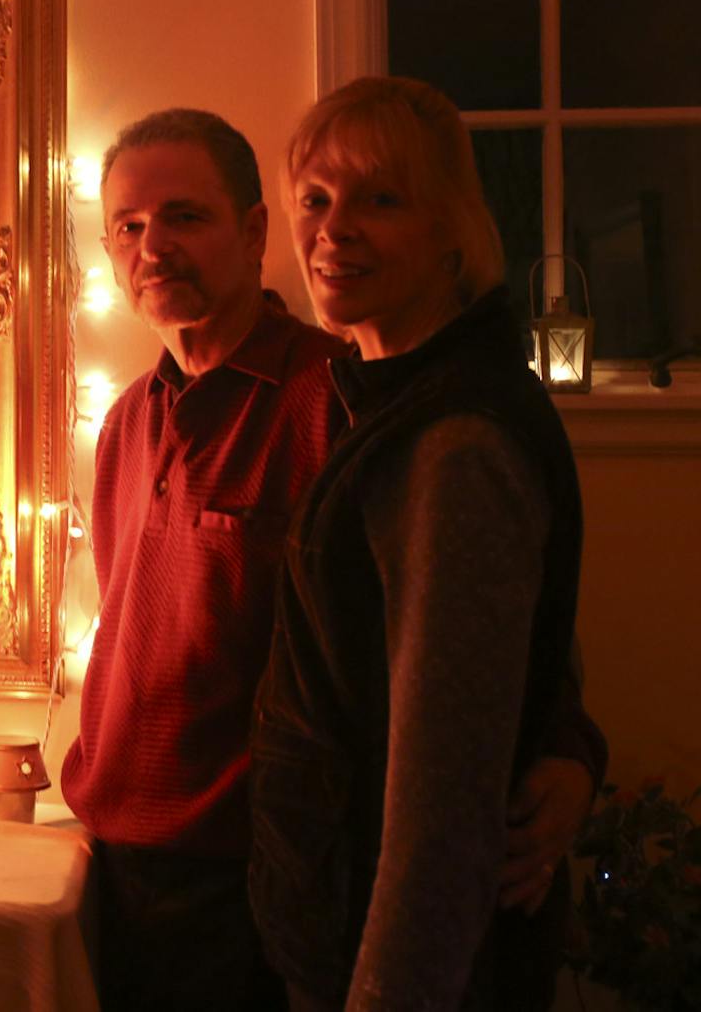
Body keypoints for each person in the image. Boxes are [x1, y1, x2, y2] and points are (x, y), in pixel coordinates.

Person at [59, 108, 603, 1010]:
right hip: (116, 866)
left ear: (254, 232)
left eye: (185, 216)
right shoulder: (123, 421)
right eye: (128, 226)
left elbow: (485, 614)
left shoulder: (338, 399)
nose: (152, 246)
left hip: (259, 884)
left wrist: (568, 744)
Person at [247, 77, 588, 1009]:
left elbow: (442, 807)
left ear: (451, 232)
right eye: (316, 199)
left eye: (380, 200)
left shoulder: (454, 443)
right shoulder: (377, 397)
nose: (333, 230)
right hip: (328, 918)